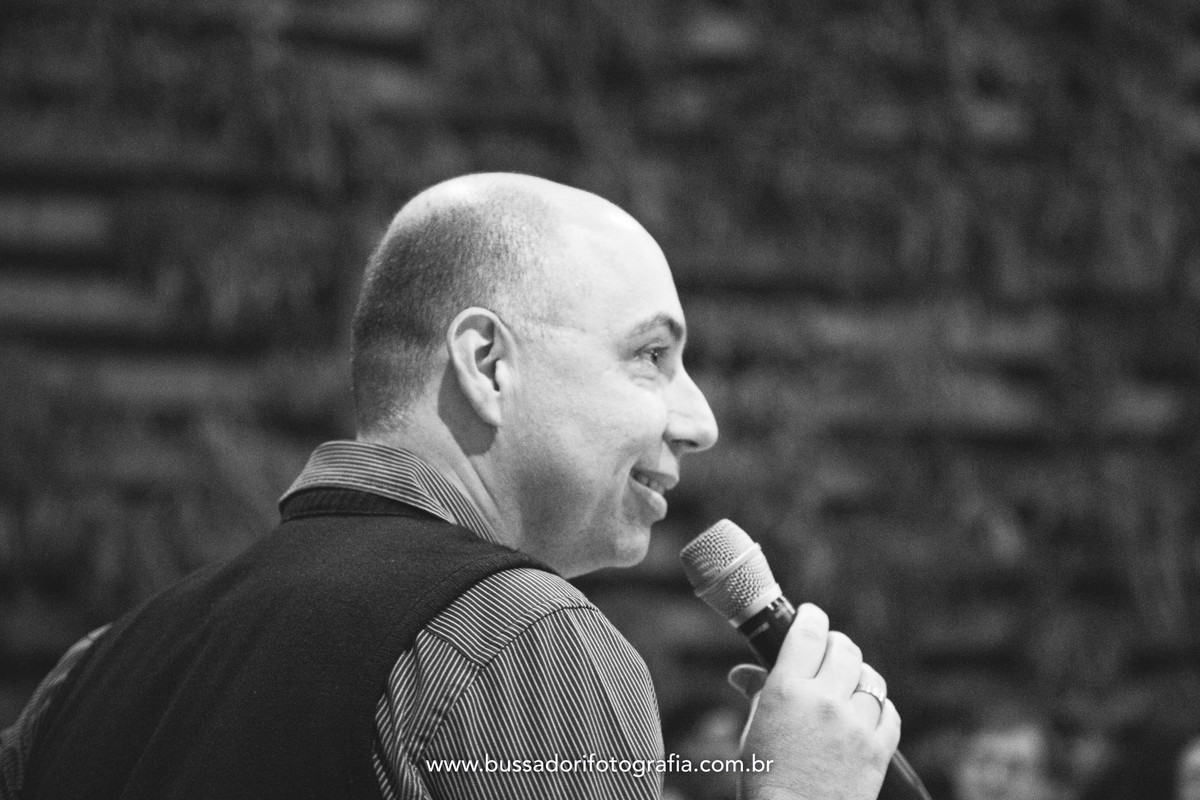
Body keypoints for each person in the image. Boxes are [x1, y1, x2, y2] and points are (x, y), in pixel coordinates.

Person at [0, 173, 900, 799]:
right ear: (487, 364)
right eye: (652, 355)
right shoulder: (522, 640)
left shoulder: (89, 675)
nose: (700, 421)